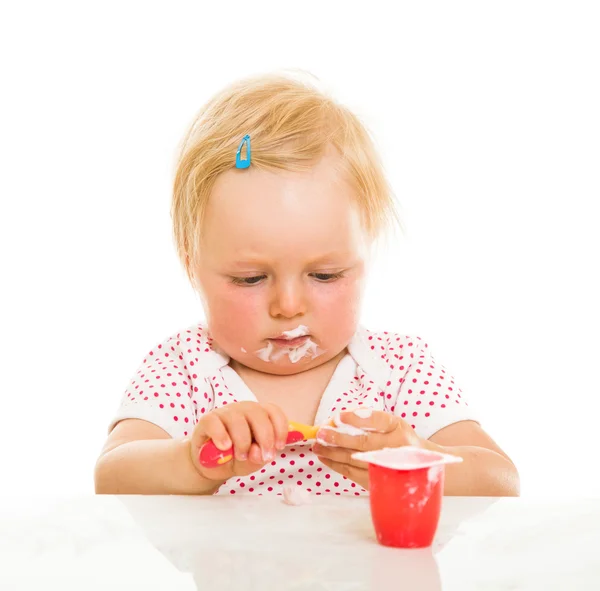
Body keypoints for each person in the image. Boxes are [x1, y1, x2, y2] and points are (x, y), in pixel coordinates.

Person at [94, 72, 519, 497]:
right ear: (191, 264)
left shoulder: (398, 369)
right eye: (251, 279)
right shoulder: (184, 369)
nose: (289, 305)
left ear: (365, 255)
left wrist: (416, 458)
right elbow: (112, 474)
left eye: (325, 275)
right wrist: (191, 460)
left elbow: (499, 480)